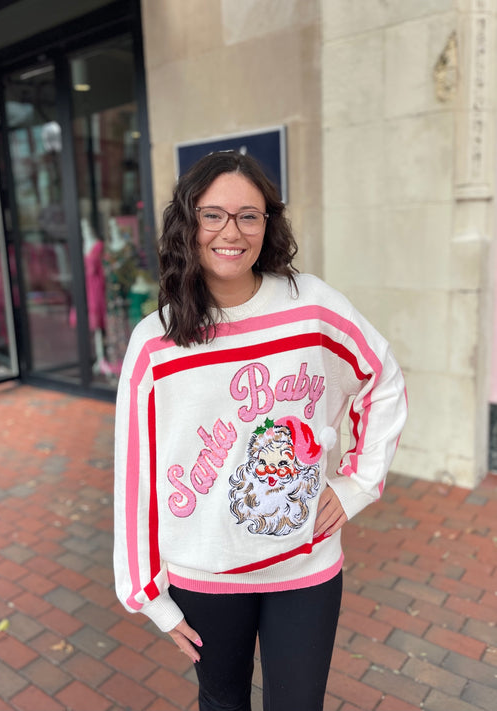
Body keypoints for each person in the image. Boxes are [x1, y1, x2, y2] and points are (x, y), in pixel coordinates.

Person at [114, 151, 407, 711]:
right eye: (213, 215)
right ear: (188, 223)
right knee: (223, 704)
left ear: (267, 224)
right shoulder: (156, 341)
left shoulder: (312, 307)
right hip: (206, 572)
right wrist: (146, 592)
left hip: (305, 565)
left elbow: (381, 379)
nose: (232, 231)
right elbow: (136, 468)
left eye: (249, 215)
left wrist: (358, 484)